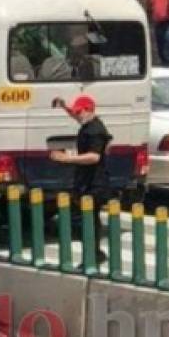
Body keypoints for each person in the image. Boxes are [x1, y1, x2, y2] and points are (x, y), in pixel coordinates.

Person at [49, 94, 109, 266]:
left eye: (80, 111)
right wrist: (63, 106)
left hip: (94, 184)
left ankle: (92, 256)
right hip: (86, 182)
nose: (78, 115)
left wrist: (66, 158)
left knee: (86, 220)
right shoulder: (87, 123)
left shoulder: (95, 131)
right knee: (89, 220)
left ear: (89, 110)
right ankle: (94, 254)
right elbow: (76, 116)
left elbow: (94, 157)